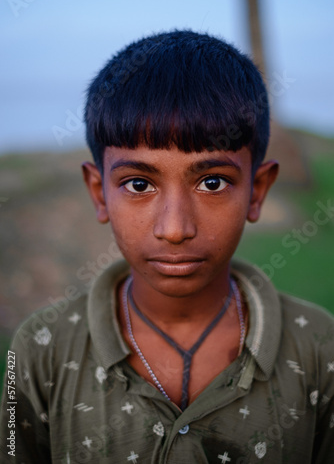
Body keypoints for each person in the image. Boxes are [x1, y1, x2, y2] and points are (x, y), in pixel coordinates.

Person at [1, 30, 333, 463]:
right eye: (138, 184)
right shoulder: (41, 349)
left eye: (212, 182)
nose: (174, 229)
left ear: (257, 191)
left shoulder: (319, 349)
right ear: (100, 193)